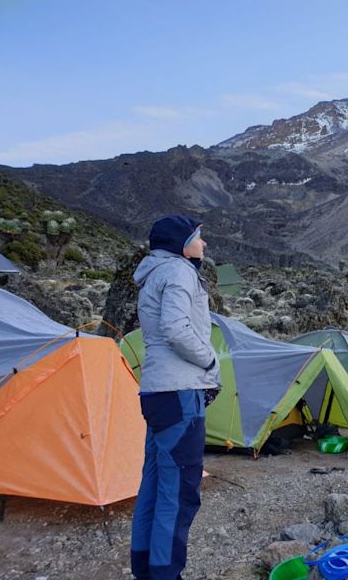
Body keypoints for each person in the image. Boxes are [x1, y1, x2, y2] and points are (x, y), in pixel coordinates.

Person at [130, 215, 221, 580]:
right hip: (180, 392)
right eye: (198, 238)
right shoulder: (179, 271)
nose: (204, 245)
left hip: (156, 390)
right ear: (181, 243)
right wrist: (210, 359)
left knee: (154, 484)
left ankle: (146, 568)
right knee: (179, 492)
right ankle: (166, 574)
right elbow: (176, 328)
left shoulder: (152, 273)